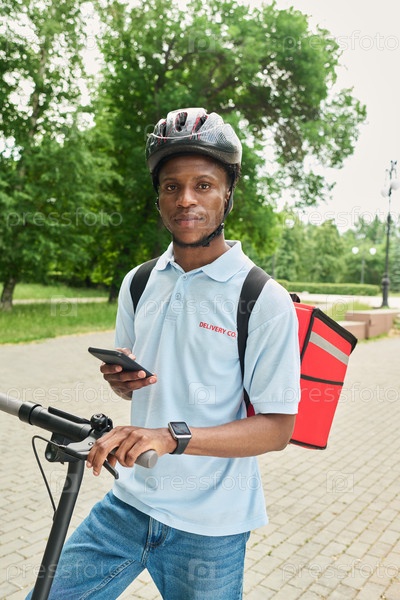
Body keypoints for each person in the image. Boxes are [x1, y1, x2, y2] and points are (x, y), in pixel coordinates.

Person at [27, 108, 300, 599]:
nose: (186, 199)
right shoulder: (139, 282)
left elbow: (278, 429)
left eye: (203, 185)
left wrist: (170, 437)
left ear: (228, 194)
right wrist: (122, 382)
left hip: (211, 526)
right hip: (129, 504)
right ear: (159, 197)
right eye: (172, 186)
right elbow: (138, 386)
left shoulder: (262, 298)